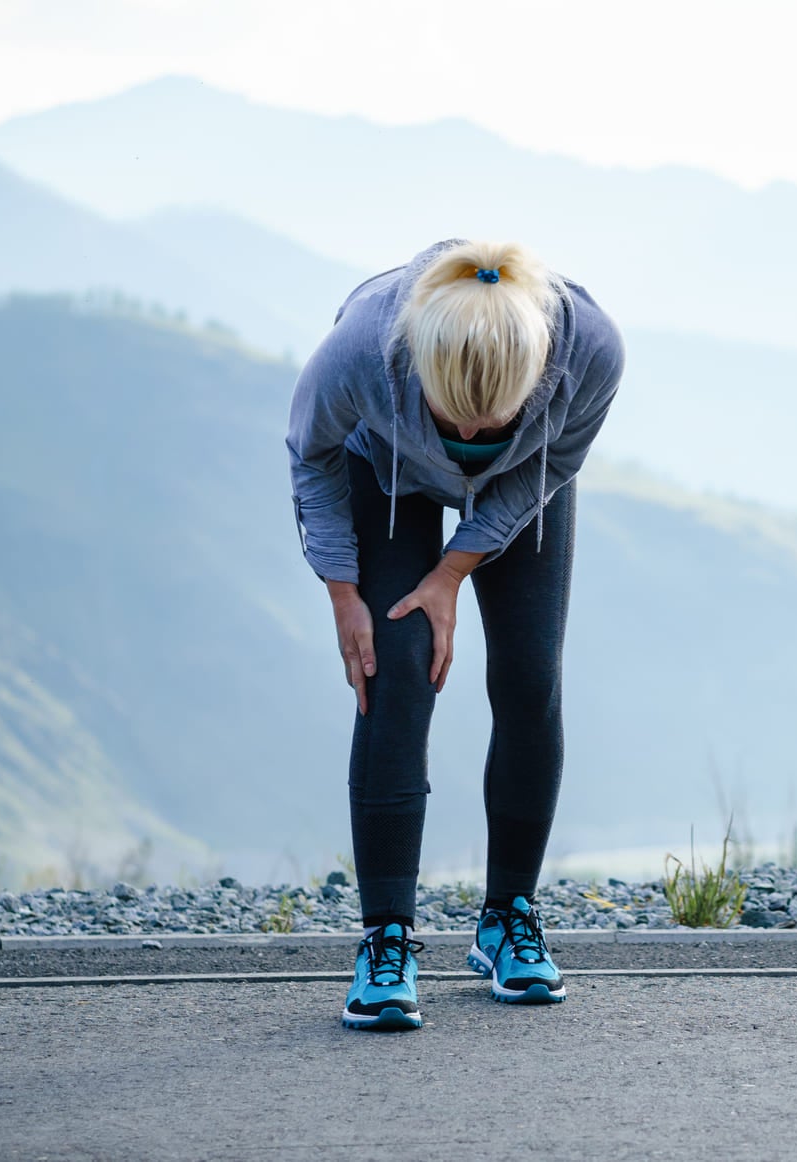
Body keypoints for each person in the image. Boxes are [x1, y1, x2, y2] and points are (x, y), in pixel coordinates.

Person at [287, 238, 625, 1030]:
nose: (468, 438)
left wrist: (451, 573)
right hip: (386, 471)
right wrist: (343, 590)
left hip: (526, 481)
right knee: (392, 666)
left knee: (529, 675)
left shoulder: (590, 353)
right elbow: (312, 458)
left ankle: (507, 917)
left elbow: (554, 467)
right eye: (452, 421)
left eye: (490, 424)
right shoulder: (358, 354)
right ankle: (386, 938)